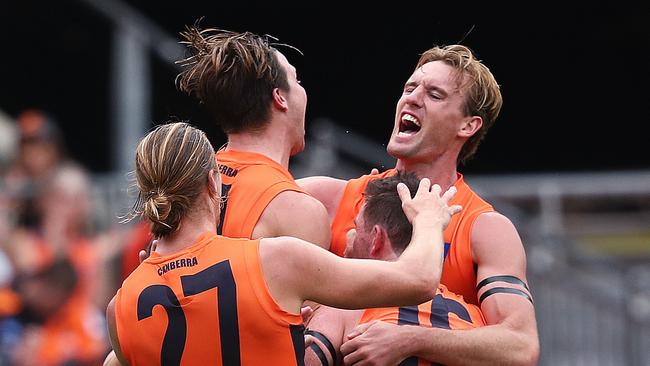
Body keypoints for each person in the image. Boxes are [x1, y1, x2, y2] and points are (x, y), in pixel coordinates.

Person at [104, 122, 461, 365]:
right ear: (214, 184)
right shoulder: (274, 261)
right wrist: (429, 219)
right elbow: (418, 280)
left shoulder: (121, 306)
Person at [298, 45, 539, 365]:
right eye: (410, 88)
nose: (412, 98)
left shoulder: (485, 228)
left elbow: (521, 346)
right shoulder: (327, 199)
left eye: (435, 94)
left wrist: (410, 338)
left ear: (468, 126)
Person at [304, 173, 485, 366]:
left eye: (356, 228)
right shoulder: (477, 322)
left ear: (376, 239)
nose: (349, 236)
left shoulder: (344, 309)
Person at [175, 25, 330, 248]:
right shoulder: (296, 210)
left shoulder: (185, 185)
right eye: (297, 81)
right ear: (280, 98)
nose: (302, 90)